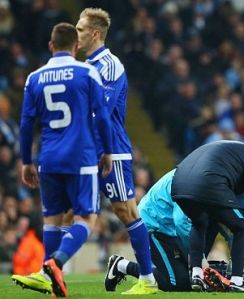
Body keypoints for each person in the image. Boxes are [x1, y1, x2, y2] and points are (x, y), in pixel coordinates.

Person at [12, 23, 113, 297]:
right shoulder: (87, 72)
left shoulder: (34, 78)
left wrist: (26, 161)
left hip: (48, 159)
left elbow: (25, 124)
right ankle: (54, 263)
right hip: (80, 157)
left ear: (50, 46)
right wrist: (108, 151)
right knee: (87, 219)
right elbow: (103, 117)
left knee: (53, 220)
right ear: (76, 46)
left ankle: (51, 281)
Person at [75, 8, 155, 295]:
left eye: (81, 30)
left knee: (126, 211)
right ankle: (50, 270)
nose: (77, 35)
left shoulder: (110, 65)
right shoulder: (85, 66)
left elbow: (101, 113)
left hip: (111, 151)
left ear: (95, 33)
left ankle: (147, 279)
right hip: (86, 150)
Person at [171, 137, 244, 293]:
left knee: (200, 221)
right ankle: (236, 281)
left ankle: (197, 274)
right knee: (242, 227)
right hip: (208, 182)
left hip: (178, 184)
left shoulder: (232, 150)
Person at [105, 169, 192, 292]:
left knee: (189, 280)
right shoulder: (187, 180)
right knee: (177, 284)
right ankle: (122, 265)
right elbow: (180, 221)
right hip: (154, 225)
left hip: (169, 228)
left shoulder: (189, 173)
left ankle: (121, 265)